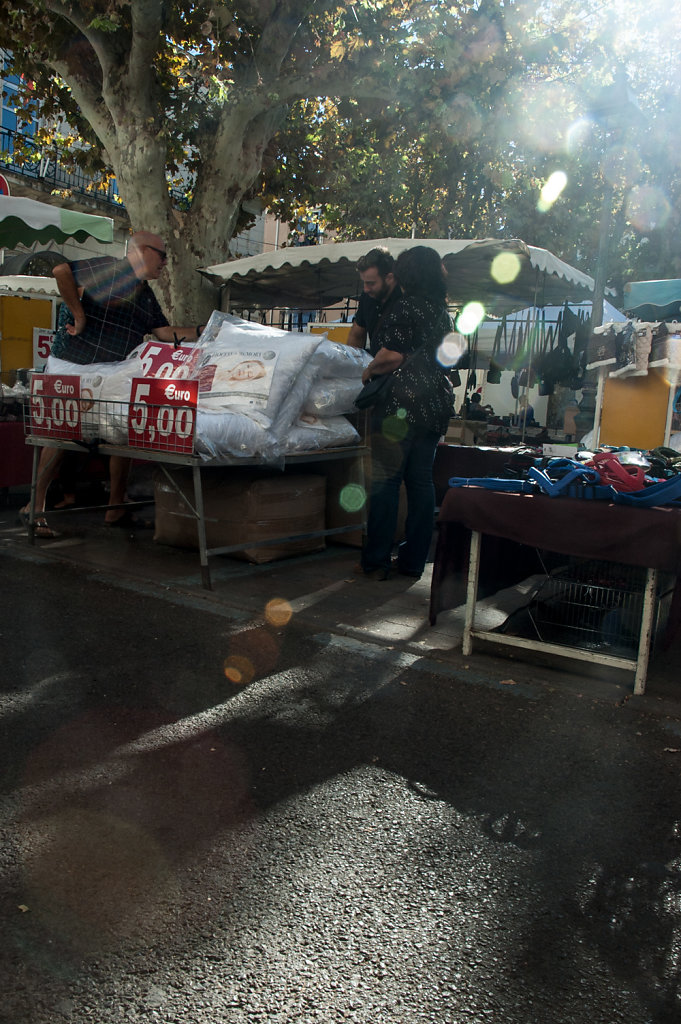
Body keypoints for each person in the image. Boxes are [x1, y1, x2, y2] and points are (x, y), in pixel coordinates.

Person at [20, 231, 202, 537]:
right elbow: (61, 271)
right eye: (163, 255)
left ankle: (116, 506)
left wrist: (203, 330)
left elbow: (163, 332)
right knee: (60, 435)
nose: (166, 263)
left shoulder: (144, 294)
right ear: (143, 251)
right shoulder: (111, 268)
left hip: (110, 372)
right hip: (73, 365)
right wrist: (78, 314)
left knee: (123, 432)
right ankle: (34, 507)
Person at [359, 245, 454, 580]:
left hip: (401, 407)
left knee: (386, 483)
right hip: (434, 406)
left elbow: (392, 355)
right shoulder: (443, 313)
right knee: (421, 483)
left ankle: (377, 561)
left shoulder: (405, 307)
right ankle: (414, 562)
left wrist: (370, 368)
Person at [346, 247, 403, 355]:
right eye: (364, 282)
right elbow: (356, 335)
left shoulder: (405, 300)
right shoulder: (367, 297)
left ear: (389, 278)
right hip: (375, 366)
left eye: (371, 283)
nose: (366, 289)